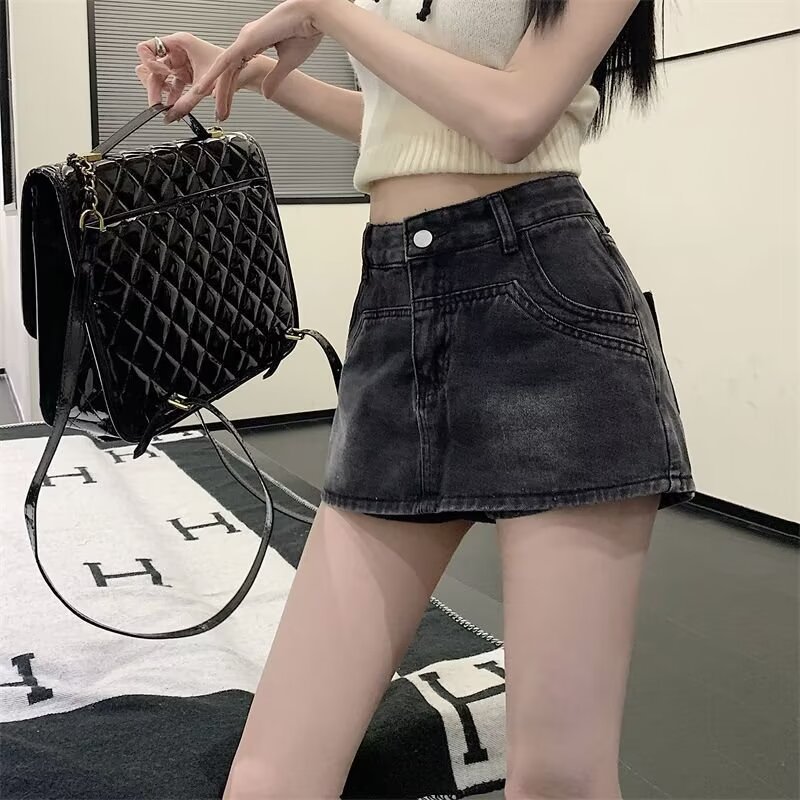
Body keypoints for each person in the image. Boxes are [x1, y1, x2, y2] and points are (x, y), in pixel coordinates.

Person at [136, 1, 694, 797]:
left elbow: (513, 116)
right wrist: (256, 76)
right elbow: (408, 122)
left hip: (543, 309)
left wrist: (325, 11)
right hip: (398, 303)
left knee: (558, 777)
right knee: (273, 770)